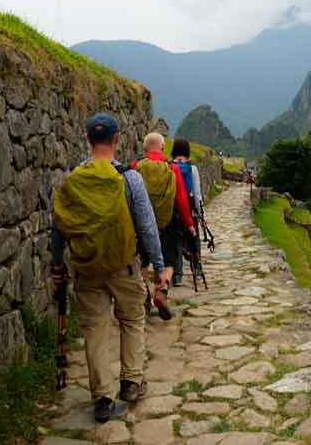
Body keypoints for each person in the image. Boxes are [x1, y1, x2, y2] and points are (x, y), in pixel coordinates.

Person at [50, 112, 171, 423]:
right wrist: (159, 268)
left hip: (87, 268)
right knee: (132, 319)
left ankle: (102, 398)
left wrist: (56, 263)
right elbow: (146, 227)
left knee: (95, 329)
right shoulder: (130, 178)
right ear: (117, 140)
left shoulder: (73, 178)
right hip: (124, 266)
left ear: (88, 139)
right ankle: (131, 382)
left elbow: (59, 225)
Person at [132, 133, 196, 297]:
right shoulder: (172, 168)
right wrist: (189, 224)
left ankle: (145, 291)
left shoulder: (134, 166)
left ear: (145, 148)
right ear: (162, 148)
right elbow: (181, 199)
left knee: (143, 260)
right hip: (167, 222)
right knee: (169, 261)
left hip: (140, 224)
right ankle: (162, 289)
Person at [171, 139, 204, 281]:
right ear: (187, 152)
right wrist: (201, 213)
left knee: (176, 241)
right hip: (190, 211)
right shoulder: (192, 169)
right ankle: (196, 268)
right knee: (194, 239)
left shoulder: (169, 166)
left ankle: (177, 274)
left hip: (174, 211)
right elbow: (197, 193)